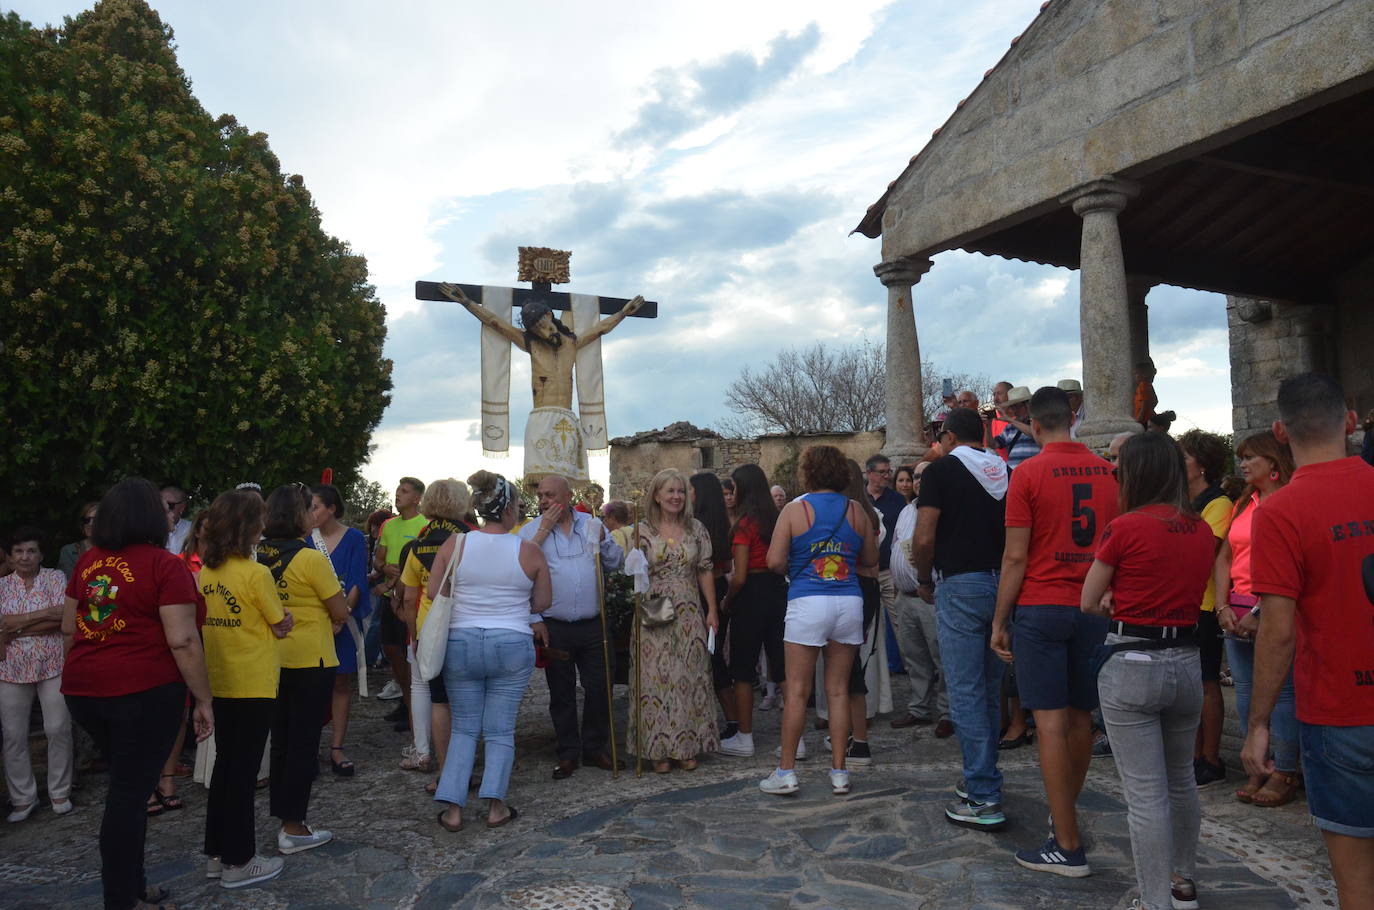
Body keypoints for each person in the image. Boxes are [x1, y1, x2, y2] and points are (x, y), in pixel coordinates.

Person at [1244, 373, 1374, 910]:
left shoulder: (1279, 513)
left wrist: (1258, 724)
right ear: (1350, 421)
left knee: (1356, 883)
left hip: (1338, 709)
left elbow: (1276, 632)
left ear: (1280, 432)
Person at [1080, 431, 1217, 910]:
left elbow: (1087, 599)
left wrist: (1116, 601)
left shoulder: (1125, 527)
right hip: (1186, 659)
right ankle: (1184, 883)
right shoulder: (1200, 528)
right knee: (1180, 779)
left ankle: (1155, 900)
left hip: (1133, 660)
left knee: (1145, 795)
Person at [62, 477, 213, 910]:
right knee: (128, 796)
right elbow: (183, 640)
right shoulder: (166, 566)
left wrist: (81, 674)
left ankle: (135, 884)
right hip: (142, 690)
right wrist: (203, 700)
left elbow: (71, 629)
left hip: (85, 689)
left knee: (128, 785)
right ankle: (121, 898)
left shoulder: (88, 562)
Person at [989, 387, 1119, 877]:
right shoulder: (1108, 472)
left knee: (1048, 719)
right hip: (1091, 607)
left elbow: (1015, 555)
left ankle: (1066, 843)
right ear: (1072, 418)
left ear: (1035, 426)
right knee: (1081, 715)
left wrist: (1000, 621)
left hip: (1043, 606)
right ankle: (1064, 813)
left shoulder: (1028, 473)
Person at [430, 471, 551, 831]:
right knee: (500, 730)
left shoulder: (456, 544)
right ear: (511, 509)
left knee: (465, 728)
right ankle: (496, 805)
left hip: (462, 641)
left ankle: (453, 809)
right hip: (511, 642)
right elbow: (544, 601)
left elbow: (436, 590)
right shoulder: (528, 550)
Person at [911, 407, 1010, 830]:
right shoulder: (1006, 472)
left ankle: (984, 794)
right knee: (989, 688)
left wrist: (922, 575)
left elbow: (925, 534)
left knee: (965, 690)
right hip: (1003, 583)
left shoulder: (941, 472)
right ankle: (984, 777)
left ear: (949, 436)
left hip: (961, 583)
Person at [760, 445, 877, 796]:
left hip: (808, 599)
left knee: (797, 690)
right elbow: (870, 558)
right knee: (839, 690)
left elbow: (773, 561)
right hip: (848, 600)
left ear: (807, 472)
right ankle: (839, 772)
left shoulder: (796, 510)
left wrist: (799, 567)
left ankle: (786, 772)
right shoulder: (856, 510)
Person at [198, 490, 294, 888]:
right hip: (253, 680)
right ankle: (240, 861)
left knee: (225, 768)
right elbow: (279, 621)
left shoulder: (207, 572)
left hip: (219, 678)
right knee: (243, 772)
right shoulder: (256, 574)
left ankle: (218, 853)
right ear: (248, 526)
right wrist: (283, 619)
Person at [258, 485, 349, 856]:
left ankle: (283, 815)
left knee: (281, 741)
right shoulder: (310, 558)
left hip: (270, 658)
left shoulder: (257, 555)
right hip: (311, 658)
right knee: (303, 745)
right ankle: (293, 826)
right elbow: (340, 610)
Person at [518, 474, 624, 779]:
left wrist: (605, 543)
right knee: (561, 692)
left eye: (550, 495)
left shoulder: (592, 524)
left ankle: (594, 748)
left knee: (599, 687)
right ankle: (567, 752)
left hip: (593, 623)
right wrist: (535, 620)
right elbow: (521, 579)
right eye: (540, 496)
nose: (544, 501)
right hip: (555, 626)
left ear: (567, 495)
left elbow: (615, 563)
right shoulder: (530, 531)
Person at [1214, 430, 1298, 805]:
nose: (1243, 464)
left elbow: (1292, 566)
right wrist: (1223, 606)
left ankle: (1285, 770)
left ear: (1274, 464)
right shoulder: (1245, 501)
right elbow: (1225, 557)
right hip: (1237, 608)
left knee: (1280, 695)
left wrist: (1259, 611)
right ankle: (1257, 764)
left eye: (1251, 458)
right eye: (1241, 457)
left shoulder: (1290, 503)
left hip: (1271, 609)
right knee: (1247, 695)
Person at [627, 468, 721, 773]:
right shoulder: (641, 530)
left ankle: (686, 746)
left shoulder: (696, 529)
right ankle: (658, 751)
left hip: (689, 608)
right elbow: (632, 574)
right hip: (654, 607)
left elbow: (704, 569)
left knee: (687, 676)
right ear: (657, 495)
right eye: (670, 491)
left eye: (680, 491)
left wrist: (712, 610)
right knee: (655, 679)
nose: (676, 497)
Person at [397, 479, 471, 791]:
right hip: (465, 624)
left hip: (429, 627)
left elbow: (410, 598)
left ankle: (435, 759)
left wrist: (413, 636)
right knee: (463, 698)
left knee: (433, 694)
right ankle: (465, 759)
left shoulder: (418, 544)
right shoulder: (469, 540)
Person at [1, 527, 73, 821]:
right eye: (19, 551)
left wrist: (19, 624)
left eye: (31, 550)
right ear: (10, 555)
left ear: (41, 554)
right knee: (13, 735)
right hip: (10, 667)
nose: (25, 556)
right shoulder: (2, 586)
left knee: (57, 728)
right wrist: (44, 615)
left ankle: (60, 791)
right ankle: (23, 798)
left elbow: (63, 618)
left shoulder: (55, 578)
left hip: (53, 662)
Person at [1176, 429, 1235, 789]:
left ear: (1201, 466)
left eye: (1185, 458)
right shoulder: (1187, 502)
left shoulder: (1219, 504)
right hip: (1185, 601)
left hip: (1206, 603)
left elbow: (1203, 551)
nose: (1180, 464)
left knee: (1207, 681)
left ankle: (1211, 756)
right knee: (1192, 683)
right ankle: (1194, 753)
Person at [719, 464, 787, 758]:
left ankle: (744, 737)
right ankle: (794, 740)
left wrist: (727, 600)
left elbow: (741, 574)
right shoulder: (777, 519)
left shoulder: (745, 524)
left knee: (743, 670)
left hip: (751, 595)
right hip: (778, 591)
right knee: (782, 666)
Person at [308, 484, 369, 777]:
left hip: (341, 621)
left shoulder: (355, 538)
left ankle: (336, 747)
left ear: (331, 508)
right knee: (311, 685)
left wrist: (341, 616)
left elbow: (358, 578)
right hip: (311, 622)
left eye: (316, 506)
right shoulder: (306, 540)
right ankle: (308, 746)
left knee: (340, 684)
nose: (312, 512)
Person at [890, 463, 952, 735]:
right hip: (905, 595)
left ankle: (948, 712)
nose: (917, 481)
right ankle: (919, 708)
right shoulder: (906, 510)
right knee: (914, 657)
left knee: (941, 656)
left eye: (923, 477)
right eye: (915, 476)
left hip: (930, 595)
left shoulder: (944, 509)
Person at [372, 478, 427, 733]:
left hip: (408, 599)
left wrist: (398, 579)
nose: (398, 495)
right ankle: (405, 701)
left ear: (417, 498)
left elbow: (420, 564)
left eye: (404, 491)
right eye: (397, 490)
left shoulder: (424, 525)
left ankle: (414, 706)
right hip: (387, 598)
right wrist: (383, 568)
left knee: (410, 653)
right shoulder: (388, 525)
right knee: (392, 650)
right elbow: (378, 559)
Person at [689, 472, 737, 740]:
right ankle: (732, 718)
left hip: (701, 591)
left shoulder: (696, 527)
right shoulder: (722, 523)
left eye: (691, 491)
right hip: (719, 589)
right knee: (715, 654)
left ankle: (726, 718)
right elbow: (728, 565)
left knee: (707, 656)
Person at [362, 508, 394, 675]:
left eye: (377, 525)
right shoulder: (367, 540)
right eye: (372, 525)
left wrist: (374, 574)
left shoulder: (386, 539)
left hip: (381, 582)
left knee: (376, 622)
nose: (374, 528)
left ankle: (368, 659)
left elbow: (384, 563)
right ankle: (376, 657)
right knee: (370, 621)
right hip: (370, 581)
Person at [992, 386, 1041, 468]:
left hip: (1034, 472)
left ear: (1028, 405)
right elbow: (993, 445)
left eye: (1017, 407)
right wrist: (988, 425)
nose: (1014, 411)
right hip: (1014, 475)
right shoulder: (1010, 427)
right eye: (1012, 407)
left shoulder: (1039, 421)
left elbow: (1036, 433)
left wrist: (1010, 420)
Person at [58, 502, 99, 580]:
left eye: (96, 519)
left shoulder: (116, 550)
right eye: (86, 520)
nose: (90, 524)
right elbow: (69, 585)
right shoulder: (69, 551)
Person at [1133, 359, 1158, 429]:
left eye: (1136, 373)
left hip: (1143, 419)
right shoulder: (1148, 385)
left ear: (1144, 374)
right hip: (1149, 418)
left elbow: (1145, 403)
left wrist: (1139, 418)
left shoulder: (1142, 385)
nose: (1135, 376)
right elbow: (1155, 401)